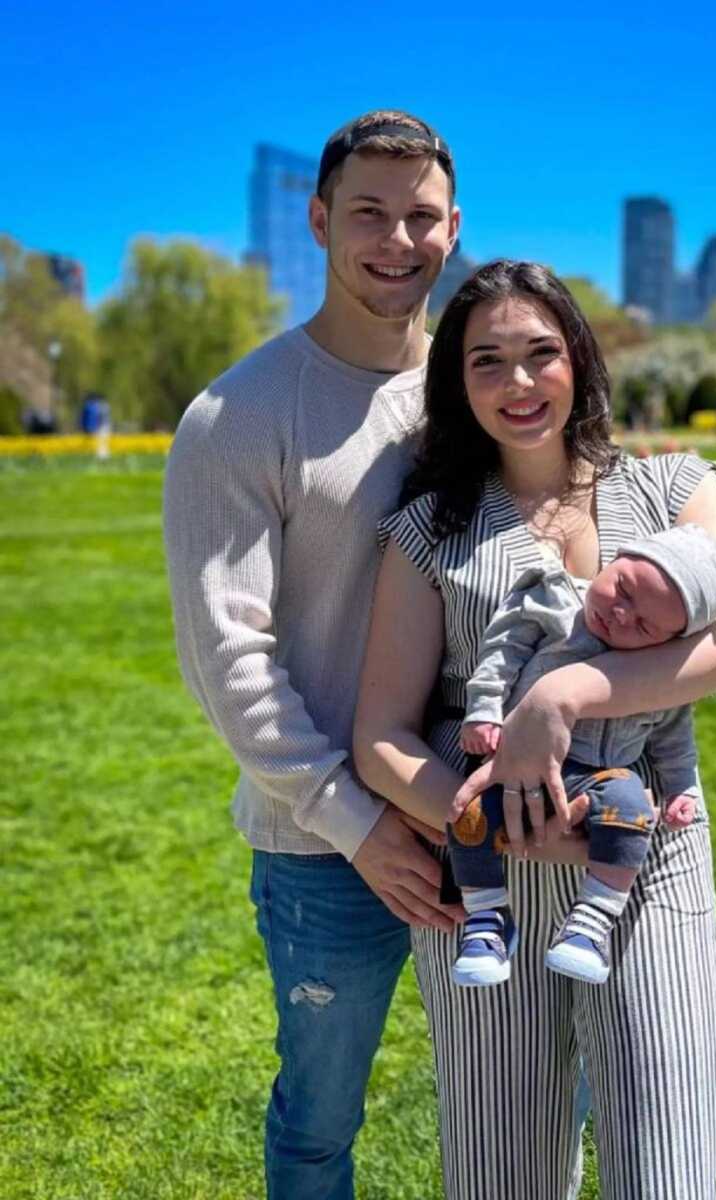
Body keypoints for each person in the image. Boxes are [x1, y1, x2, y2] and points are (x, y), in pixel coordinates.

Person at [353, 259, 716, 1200]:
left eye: (541, 352)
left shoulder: (674, 491)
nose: (519, 382)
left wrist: (560, 698)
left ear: (578, 357)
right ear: (457, 382)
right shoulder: (428, 534)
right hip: (488, 886)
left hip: (645, 857)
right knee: (504, 1174)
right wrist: (478, 805)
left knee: (667, 1165)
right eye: (486, 361)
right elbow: (380, 733)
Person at [163, 110, 462, 1200]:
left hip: (484, 822)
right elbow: (226, 658)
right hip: (322, 850)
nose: (398, 239)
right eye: (370, 214)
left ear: (452, 226)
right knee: (319, 1125)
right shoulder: (238, 415)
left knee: (524, 1093)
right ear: (320, 219)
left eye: (420, 215)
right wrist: (356, 820)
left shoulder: (474, 392)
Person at [449, 523, 716, 987]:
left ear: (667, 644)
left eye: (645, 624)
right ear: (614, 560)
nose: (622, 615)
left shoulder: (653, 677)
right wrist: (484, 712)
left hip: (600, 776)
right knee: (467, 813)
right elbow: (501, 653)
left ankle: (591, 923)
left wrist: (682, 786)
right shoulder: (558, 603)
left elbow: (673, 735)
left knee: (632, 808)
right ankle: (487, 917)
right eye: (622, 588)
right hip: (516, 764)